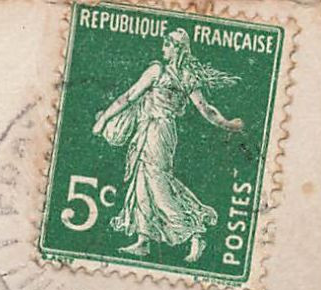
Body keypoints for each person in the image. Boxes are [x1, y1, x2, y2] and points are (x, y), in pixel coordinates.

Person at [91, 28, 245, 263]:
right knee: (141, 182)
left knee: (158, 183)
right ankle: (143, 241)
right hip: (149, 130)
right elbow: (131, 96)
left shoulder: (168, 74)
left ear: (177, 48)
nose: (163, 47)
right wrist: (227, 124)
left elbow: (130, 96)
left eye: (167, 43)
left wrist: (227, 124)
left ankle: (194, 232)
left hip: (159, 132)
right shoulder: (175, 74)